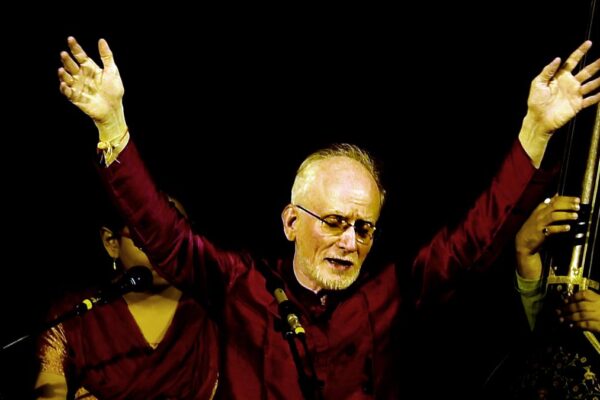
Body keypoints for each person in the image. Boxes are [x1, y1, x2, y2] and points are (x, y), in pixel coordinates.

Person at [57, 35, 600, 399]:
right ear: (291, 222)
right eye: (335, 221)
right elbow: (163, 233)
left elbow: (471, 239)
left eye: (364, 228)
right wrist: (112, 126)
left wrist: (534, 131)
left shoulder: (391, 294)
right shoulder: (240, 285)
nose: (350, 241)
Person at [33, 197, 219, 399]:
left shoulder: (219, 313)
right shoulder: (75, 317)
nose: (166, 251)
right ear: (111, 242)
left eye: (176, 236)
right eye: (147, 238)